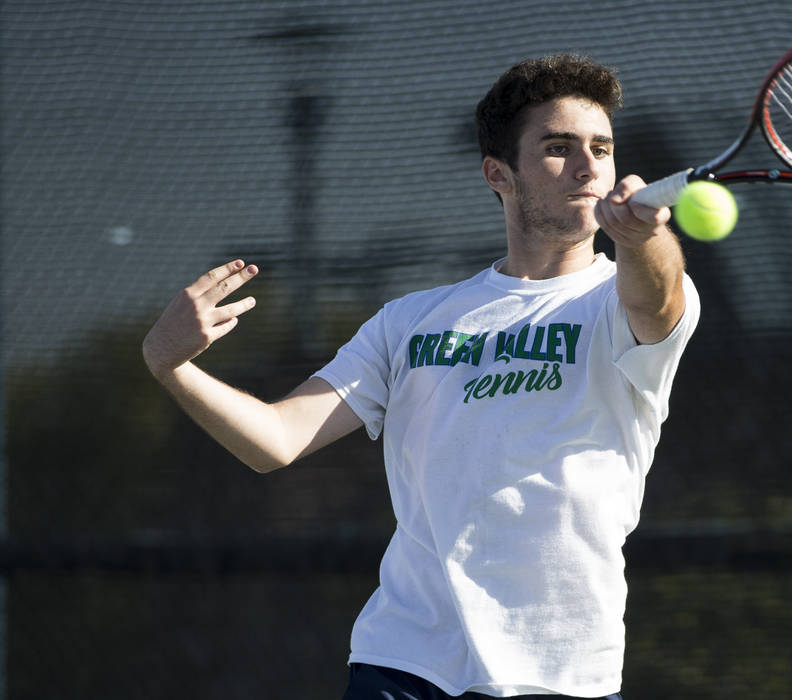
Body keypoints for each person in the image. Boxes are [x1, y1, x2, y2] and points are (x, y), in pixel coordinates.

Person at [142, 54, 700, 700]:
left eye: (600, 148)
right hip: (405, 665)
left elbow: (655, 302)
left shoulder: (621, 299)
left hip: (565, 671)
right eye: (557, 148)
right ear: (500, 175)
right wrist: (170, 365)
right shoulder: (408, 323)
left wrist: (644, 241)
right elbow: (274, 440)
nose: (587, 167)